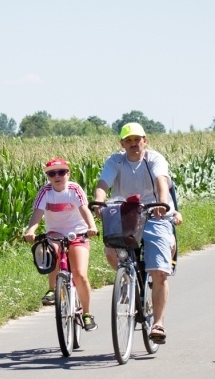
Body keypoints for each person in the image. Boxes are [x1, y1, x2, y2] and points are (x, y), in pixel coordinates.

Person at [92, 123, 183, 344]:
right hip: (125, 213)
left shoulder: (154, 159)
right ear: (122, 144)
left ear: (145, 140)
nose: (133, 144)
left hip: (154, 212)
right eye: (128, 141)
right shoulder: (116, 160)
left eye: (137, 139)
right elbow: (103, 182)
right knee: (111, 251)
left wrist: (162, 203)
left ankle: (158, 323)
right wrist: (98, 202)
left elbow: (162, 180)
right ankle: (128, 279)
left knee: (159, 271)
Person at [23, 158, 100, 331]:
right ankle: (52, 289)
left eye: (61, 172)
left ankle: (87, 314)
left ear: (68, 173)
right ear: (48, 176)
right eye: (52, 173)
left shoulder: (74, 189)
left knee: (80, 274)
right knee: (51, 253)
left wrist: (92, 227)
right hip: (55, 233)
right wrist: (30, 231)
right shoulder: (45, 192)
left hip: (78, 233)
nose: (57, 176)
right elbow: (37, 213)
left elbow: (84, 209)